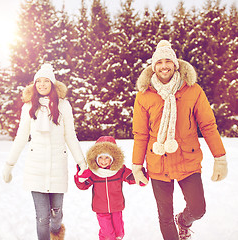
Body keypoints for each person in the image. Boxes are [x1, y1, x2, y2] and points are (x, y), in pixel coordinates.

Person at [131, 40, 228, 240]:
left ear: (175, 64)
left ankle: (183, 221)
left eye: (168, 61)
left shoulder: (193, 90)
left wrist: (220, 158)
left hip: (188, 160)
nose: (164, 66)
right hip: (158, 161)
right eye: (159, 62)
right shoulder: (144, 95)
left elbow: (208, 125)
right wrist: (137, 166)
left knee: (198, 209)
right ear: (153, 66)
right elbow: (140, 134)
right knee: (164, 217)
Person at [2, 63, 87, 240]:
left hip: (57, 168)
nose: (42, 84)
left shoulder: (63, 106)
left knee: (56, 214)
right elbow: (21, 137)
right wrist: (9, 165)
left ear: (52, 83)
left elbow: (70, 136)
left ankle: (56, 232)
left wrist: (81, 162)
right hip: (36, 169)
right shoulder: (28, 107)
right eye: (38, 81)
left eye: (46, 81)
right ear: (34, 85)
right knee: (42, 218)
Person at [74, 136, 141, 240]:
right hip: (101, 209)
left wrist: (140, 176)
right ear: (95, 157)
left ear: (113, 158)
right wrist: (81, 177)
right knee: (109, 234)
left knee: (119, 234)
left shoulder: (119, 170)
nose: (103, 161)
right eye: (100, 157)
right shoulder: (94, 172)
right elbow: (83, 185)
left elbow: (131, 177)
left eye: (106, 158)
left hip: (116, 207)